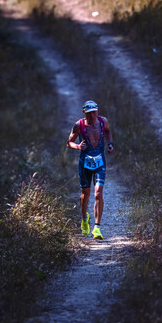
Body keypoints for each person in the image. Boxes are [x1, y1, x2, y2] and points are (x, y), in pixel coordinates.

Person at [66, 100, 115, 239]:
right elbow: (68, 142)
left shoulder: (102, 121)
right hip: (84, 163)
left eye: (95, 112)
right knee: (85, 194)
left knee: (98, 193)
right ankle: (84, 219)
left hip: (100, 162)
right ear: (84, 113)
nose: (93, 115)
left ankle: (97, 228)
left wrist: (110, 144)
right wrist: (77, 147)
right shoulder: (79, 125)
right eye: (90, 113)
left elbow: (108, 132)